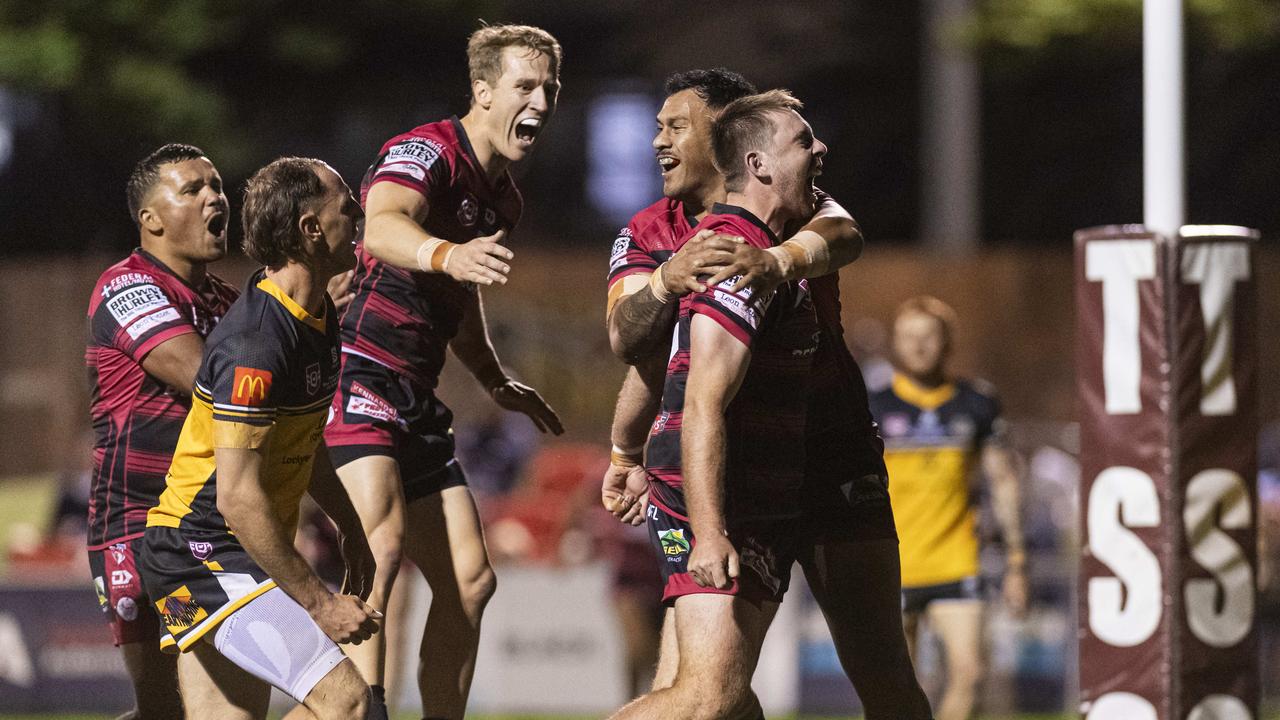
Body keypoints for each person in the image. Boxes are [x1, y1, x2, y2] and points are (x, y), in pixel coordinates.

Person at [601, 70, 930, 718]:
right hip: (732, 478)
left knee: (878, 675)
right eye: (659, 127)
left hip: (833, 458)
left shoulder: (799, 211)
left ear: (725, 128)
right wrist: (624, 456)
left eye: (675, 126)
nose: (659, 141)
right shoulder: (654, 235)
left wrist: (778, 262)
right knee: (707, 695)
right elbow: (635, 350)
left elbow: (846, 235)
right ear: (749, 154)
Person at [322, 23, 564, 719]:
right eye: (525, 86)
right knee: (381, 551)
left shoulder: (503, 198)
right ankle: (356, 708)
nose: (542, 102)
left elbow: (459, 298)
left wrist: (492, 376)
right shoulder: (426, 149)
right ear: (483, 92)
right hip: (358, 373)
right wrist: (446, 254)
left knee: (470, 581)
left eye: (550, 88)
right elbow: (383, 223)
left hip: (415, 396)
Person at [608, 89, 827, 719]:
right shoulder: (733, 252)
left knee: (728, 706)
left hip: (752, 493)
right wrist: (707, 532)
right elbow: (699, 400)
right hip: (712, 497)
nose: (819, 150)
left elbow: (658, 372)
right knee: (709, 700)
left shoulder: (770, 242)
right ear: (758, 164)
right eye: (803, 142)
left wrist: (625, 449)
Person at [138, 157, 378, 719]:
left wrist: (351, 527)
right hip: (202, 554)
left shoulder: (314, 318)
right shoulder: (256, 344)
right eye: (347, 203)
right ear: (311, 229)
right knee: (346, 701)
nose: (360, 212)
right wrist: (319, 603)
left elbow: (304, 440)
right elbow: (237, 498)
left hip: (223, 553)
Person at [85, 143, 239, 719]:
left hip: (211, 519)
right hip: (139, 525)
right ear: (150, 219)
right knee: (166, 705)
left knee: (218, 700)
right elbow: (209, 380)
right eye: (192, 189)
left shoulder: (228, 302)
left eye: (217, 186)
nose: (214, 198)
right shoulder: (128, 287)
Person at [870, 295, 1027, 720]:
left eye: (929, 337)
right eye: (909, 337)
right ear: (896, 344)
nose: (919, 347)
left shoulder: (976, 403)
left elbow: (1004, 482)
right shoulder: (873, 407)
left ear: (948, 343)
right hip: (892, 566)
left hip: (957, 561)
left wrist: (1016, 561)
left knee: (971, 675)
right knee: (892, 688)